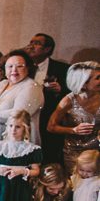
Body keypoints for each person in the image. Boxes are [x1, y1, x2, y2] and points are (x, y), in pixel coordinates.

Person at [0, 50, 44, 143]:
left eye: (19, 66)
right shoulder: (3, 83)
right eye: (10, 66)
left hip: (19, 144)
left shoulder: (31, 87)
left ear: (28, 68)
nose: (14, 70)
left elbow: (18, 115)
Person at [47, 61, 100, 173]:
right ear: (83, 83)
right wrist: (73, 130)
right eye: (98, 78)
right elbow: (51, 127)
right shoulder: (68, 101)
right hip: (75, 152)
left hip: (97, 152)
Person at [27, 33, 70, 165]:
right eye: (31, 42)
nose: (31, 46)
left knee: (48, 156)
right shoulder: (24, 67)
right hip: (27, 118)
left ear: (47, 49)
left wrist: (60, 90)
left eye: (36, 43)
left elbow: (72, 93)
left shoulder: (62, 68)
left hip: (48, 118)